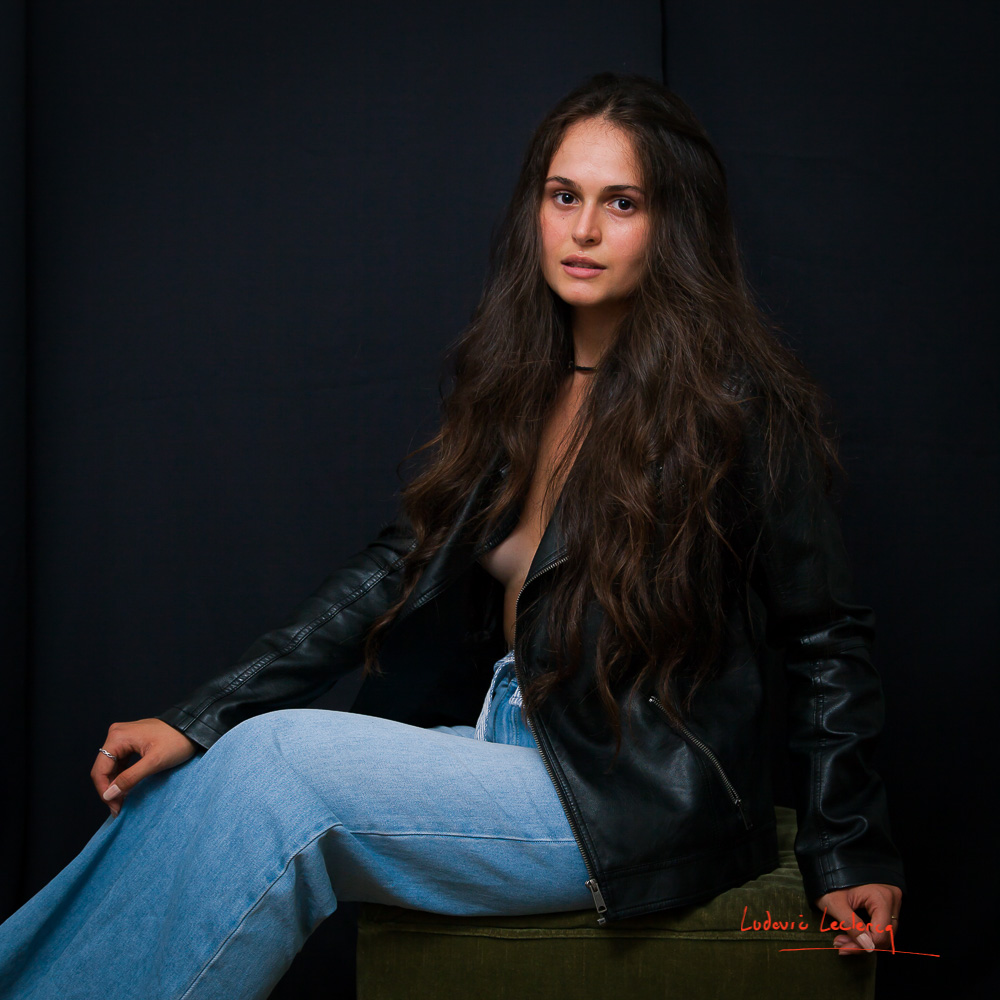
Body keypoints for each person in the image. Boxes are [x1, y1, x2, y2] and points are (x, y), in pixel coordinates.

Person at [0, 72, 905, 999]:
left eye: (621, 203)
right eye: (564, 197)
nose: (584, 231)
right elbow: (400, 564)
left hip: (625, 794)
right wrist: (201, 718)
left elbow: (824, 635)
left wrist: (851, 847)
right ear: (537, 209)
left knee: (281, 766)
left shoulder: (742, 406)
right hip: (504, 741)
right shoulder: (525, 380)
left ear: (674, 226)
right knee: (195, 780)